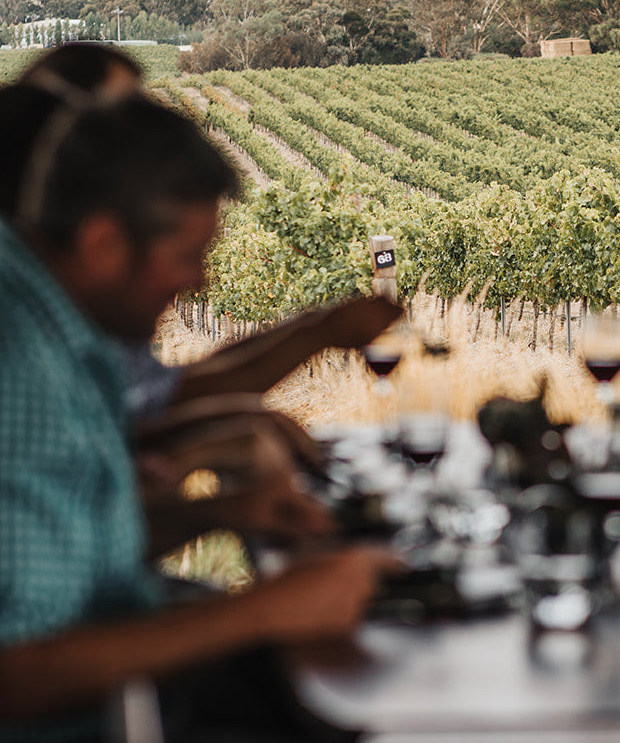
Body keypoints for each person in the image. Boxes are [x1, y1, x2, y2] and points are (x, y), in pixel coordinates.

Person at [0, 92, 399, 740]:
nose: (201, 282)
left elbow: (74, 552)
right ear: (103, 242)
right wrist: (262, 611)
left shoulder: (59, 321)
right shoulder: (20, 360)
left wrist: (224, 514)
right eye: (188, 255)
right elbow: (16, 673)